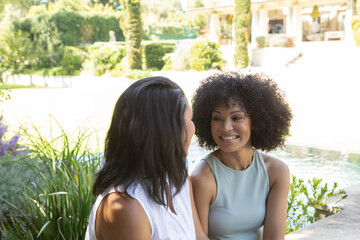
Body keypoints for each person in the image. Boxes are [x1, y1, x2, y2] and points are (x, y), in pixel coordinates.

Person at [85, 76, 208, 240]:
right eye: (189, 118)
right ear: (165, 129)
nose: (194, 127)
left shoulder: (178, 177)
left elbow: (199, 237)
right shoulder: (126, 206)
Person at [190, 72, 293, 240]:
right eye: (217, 118)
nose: (226, 127)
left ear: (256, 121)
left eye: (236, 117)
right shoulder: (202, 178)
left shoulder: (276, 171)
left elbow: (274, 237)